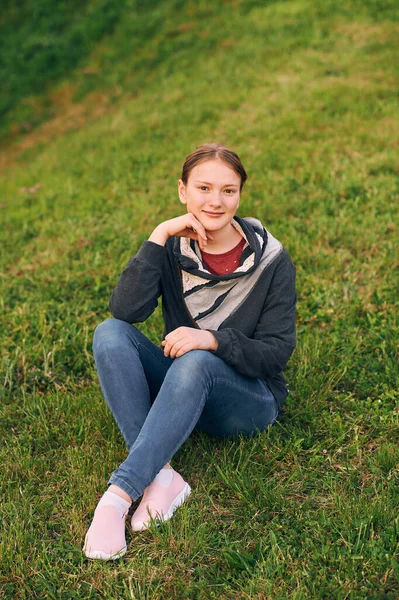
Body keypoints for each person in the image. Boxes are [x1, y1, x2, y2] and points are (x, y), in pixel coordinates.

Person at [83, 143, 296, 560]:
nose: (215, 201)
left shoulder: (271, 260)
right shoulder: (172, 247)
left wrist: (213, 340)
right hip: (183, 387)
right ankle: (163, 477)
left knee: (197, 357)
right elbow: (125, 311)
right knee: (110, 333)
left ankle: (119, 495)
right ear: (183, 191)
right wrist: (159, 235)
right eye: (203, 188)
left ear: (240, 194)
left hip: (248, 400)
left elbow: (275, 353)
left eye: (228, 190)